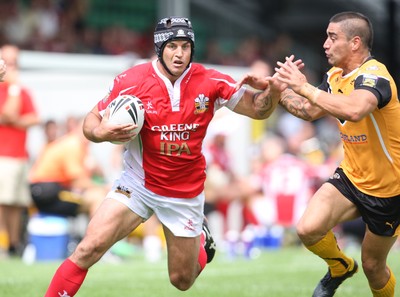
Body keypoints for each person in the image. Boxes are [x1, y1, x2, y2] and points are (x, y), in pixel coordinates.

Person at [43, 16, 291, 296]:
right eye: (172, 46)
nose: (179, 53)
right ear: (160, 48)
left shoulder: (210, 80)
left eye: (185, 46)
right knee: (89, 248)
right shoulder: (131, 80)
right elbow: (91, 120)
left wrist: (273, 91)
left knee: (181, 281)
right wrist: (102, 132)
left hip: (184, 193)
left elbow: (258, 109)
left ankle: (201, 238)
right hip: (138, 184)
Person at [274, 11, 400, 297]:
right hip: (352, 177)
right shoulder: (335, 77)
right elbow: (308, 110)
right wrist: (277, 91)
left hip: (388, 189)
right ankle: (340, 265)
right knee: (308, 229)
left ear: (355, 43)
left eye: (332, 37)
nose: (325, 44)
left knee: (373, 266)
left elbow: (355, 109)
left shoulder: (374, 76)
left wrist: (304, 86)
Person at [0, 44, 40, 257]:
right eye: (8, 62)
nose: (12, 67)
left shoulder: (23, 90)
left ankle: (13, 245)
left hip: (18, 156)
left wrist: (14, 120)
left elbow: (34, 118)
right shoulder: (14, 89)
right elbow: (7, 113)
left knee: (15, 203)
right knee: (2, 202)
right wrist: (14, 88)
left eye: (14, 62)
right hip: (2, 155)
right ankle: (3, 244)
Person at [29, 117, 106, 218]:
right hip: (47, 192)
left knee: (96, 194)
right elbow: (77, 182)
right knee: (97, 198)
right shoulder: (73, 145)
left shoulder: (72, 143)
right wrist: (103, 188)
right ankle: (97, 233)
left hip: (45, 190)